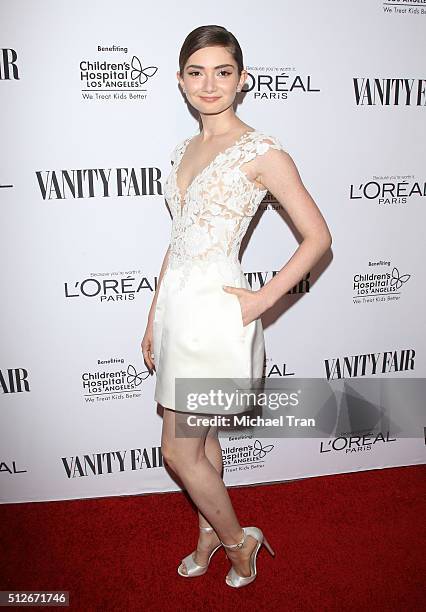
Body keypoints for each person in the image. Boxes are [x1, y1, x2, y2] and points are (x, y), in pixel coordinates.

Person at [141, 24, 332, 588]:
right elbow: (177, 242)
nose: (209, 83)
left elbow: (318, 237)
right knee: (200, 443)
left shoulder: (262, 151)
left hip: (217, 314)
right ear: (180, 81)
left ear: (242, 80)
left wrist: (264, 301)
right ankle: (207, 533)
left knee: (178, 452)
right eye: (196, 72)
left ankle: (237, 539)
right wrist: (153, 315)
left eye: (222, 71)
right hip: (178, 309)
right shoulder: (184, 148)